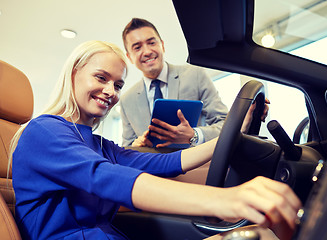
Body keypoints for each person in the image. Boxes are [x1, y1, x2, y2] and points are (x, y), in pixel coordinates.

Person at [10, 40, 300, 240]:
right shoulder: (43, 131)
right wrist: (226, 200)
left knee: (258, 235)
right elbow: (106, 177)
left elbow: (168, 162)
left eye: (118, 84)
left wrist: (234, 133)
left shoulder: (98, 145)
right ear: (74, 74)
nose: (110, 91)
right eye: (101, 78)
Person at [119, 17, 229, 148]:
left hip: (196, 165)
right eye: (137, 47)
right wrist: (136, 146)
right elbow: (126, 147)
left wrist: (194, 135)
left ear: (162, 45)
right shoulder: (126, 101)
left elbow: (225, 124)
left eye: (152, 43)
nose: (147, 51)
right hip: (153, 168)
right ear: (129, 57)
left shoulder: (195, 75)